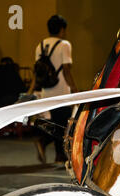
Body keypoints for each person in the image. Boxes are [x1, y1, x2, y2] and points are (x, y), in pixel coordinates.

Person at [28, 15, 78, 164]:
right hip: (61, 91)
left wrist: (31, 90)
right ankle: (47, 146)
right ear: (62, 29)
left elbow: (38, 71)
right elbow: (66, 70)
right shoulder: (64, 45)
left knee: (57, 123)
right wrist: (75, 89)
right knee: (64, 125)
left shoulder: (40, 45)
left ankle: (57, 155)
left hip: (46, 91)